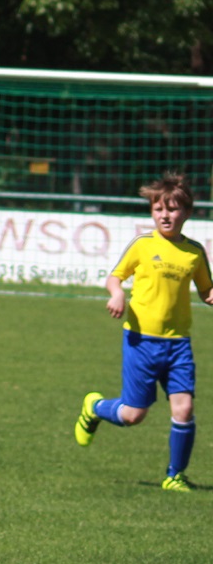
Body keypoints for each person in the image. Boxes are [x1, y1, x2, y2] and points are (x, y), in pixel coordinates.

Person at [74, 172, 213, 491]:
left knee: (185, 408)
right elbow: (115, 277)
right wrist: (117, 293)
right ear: (152, 212)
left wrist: (210, 296)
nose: (165, 215)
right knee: (133, 415)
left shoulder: (194, 252)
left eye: (173, 209)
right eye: (158, 209)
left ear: (187, 212)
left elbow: (206, 290)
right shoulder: (142, 244)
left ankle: (174, 475)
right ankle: (93, 407)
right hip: (141, 341)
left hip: (179, 344)